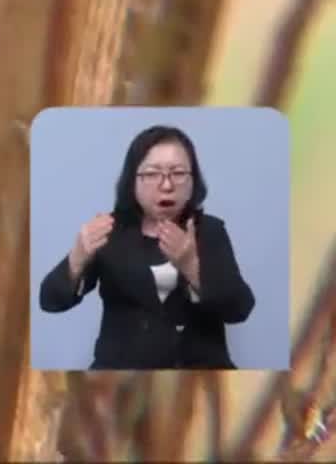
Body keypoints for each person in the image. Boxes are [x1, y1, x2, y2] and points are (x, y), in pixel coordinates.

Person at [37, 124, 255, 370]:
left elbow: (240, 309)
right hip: (122, 380)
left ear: (193, 180)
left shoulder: (209, 231)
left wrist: (191, 267)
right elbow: (49, 301)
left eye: (178, 173)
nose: (166, 185)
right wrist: (77, 257)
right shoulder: (110, 231)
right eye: (152, 174)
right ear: (133, 181)